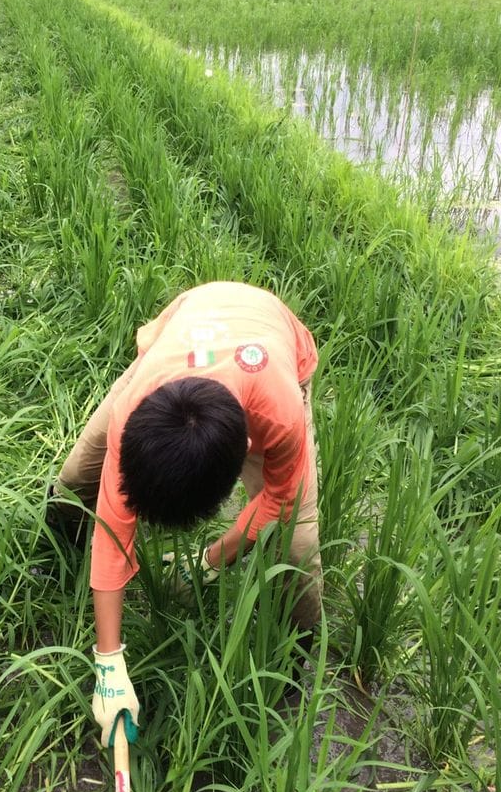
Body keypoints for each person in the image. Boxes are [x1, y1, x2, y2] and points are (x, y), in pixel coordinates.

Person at [46, 281, 321, 749]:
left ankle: (292, 659)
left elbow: (276, 498)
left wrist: (210, 561)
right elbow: (113, 532)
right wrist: (109, 663)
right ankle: (55, 553)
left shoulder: (279, 412)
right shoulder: (136, 414)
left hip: (269, 340)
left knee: (297, 549)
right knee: (76, 477)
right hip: (187, 329)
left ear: (245, 455)